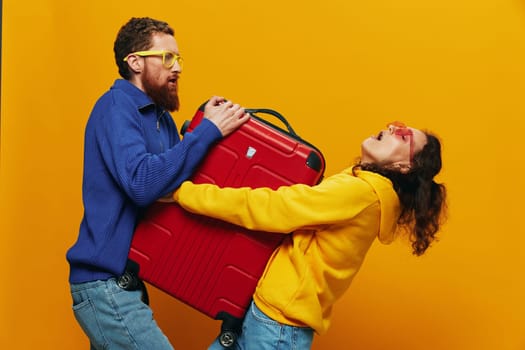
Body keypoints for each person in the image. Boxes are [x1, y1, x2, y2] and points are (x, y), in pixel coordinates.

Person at [173, 121, 447, 349]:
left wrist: (185, 193)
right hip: (269, 316)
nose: (392, 127)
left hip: (277, 326)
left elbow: (275, 208)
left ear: (404, 167)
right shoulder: (364, 190)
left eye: (404, 135)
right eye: (396, 124)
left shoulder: (361, 194)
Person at [66, 17, 249, 349]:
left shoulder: (161, 119)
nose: (177, 67)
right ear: (135, 62)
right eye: (167, 58)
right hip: (104, 284)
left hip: (128, 282)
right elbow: (143, 182)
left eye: (178, 59)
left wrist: (197, 131)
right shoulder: (115, 107)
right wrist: (208, 132)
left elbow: (167, 186)